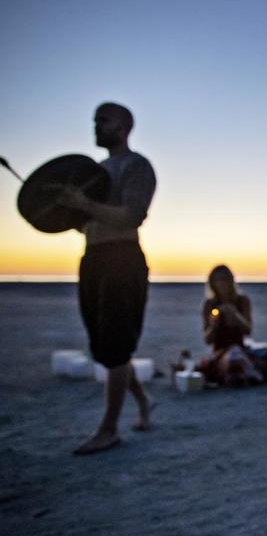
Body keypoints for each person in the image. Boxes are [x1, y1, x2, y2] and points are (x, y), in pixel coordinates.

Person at [60, 103, 157, 455]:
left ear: (125, 126)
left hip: (122, 259)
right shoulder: (95, 171)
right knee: (104, 346)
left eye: (105, 120)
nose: (97, 126)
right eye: (95, 120)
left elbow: (131, 216)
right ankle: (144, 402)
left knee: (116, 344)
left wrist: (84, 204)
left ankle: (108, 429)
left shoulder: (136, 166)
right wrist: (67, 208)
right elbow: (83, 221)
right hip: (94, 259)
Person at [195, 265, 267, 387]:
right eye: (217, 280)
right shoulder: (209, 305)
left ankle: (251, 373)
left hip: (241, 348)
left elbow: (248, 330)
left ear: (231, 280)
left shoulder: (242, 301)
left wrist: (235, 315)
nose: (221, 283)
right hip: (222, 353)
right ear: (212, 283)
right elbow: (208, 340)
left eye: (224, 279)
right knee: (234, 357)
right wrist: (213, 325)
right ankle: (248, 374)